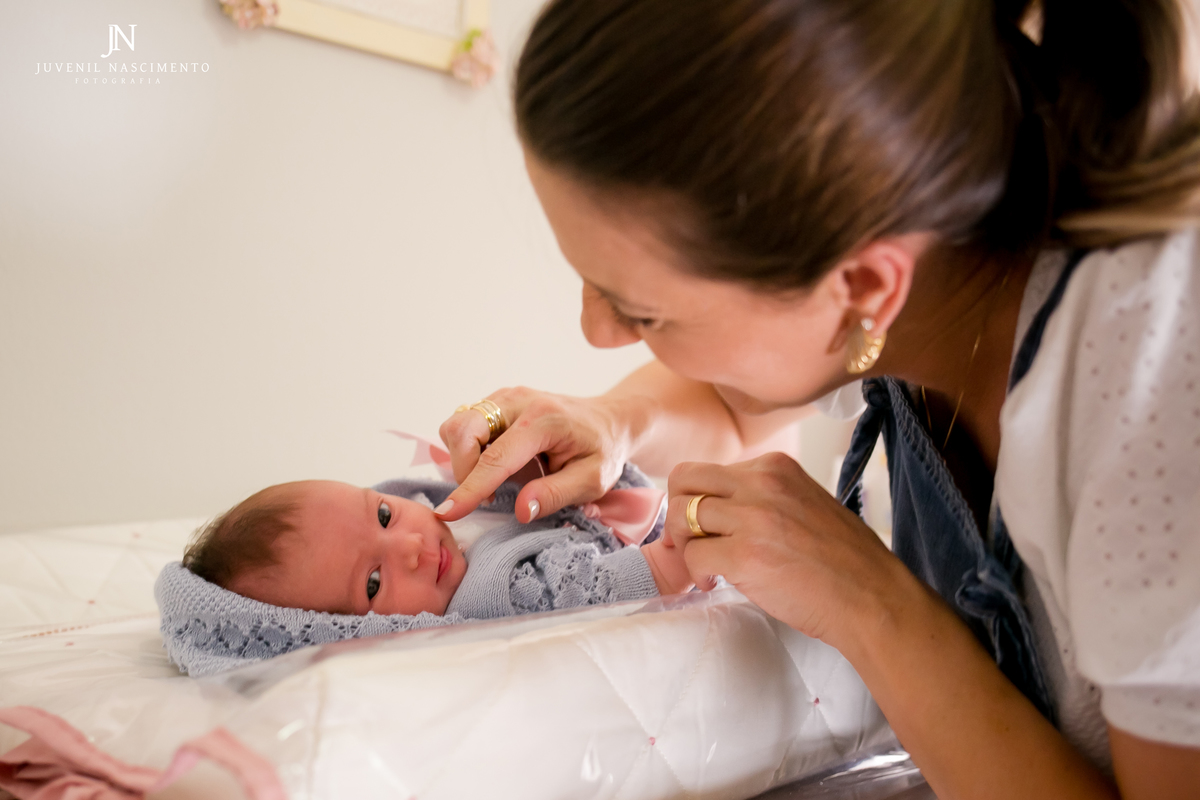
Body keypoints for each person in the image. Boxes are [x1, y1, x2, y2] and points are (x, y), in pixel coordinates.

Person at [429, 0, 1200, 796]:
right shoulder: (934, 264)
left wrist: (871, 604)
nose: (596, 331)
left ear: (863, 289)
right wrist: (612, 422)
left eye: (643, 310)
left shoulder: (1155, 384)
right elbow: (735, 405)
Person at [175, 476, 689, 619]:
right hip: (668, 537)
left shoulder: (444, 505)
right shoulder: (491, 594)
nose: (410, 548)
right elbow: (591, 589)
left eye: (384, 516)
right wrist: (673, 560)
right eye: (373, 582)